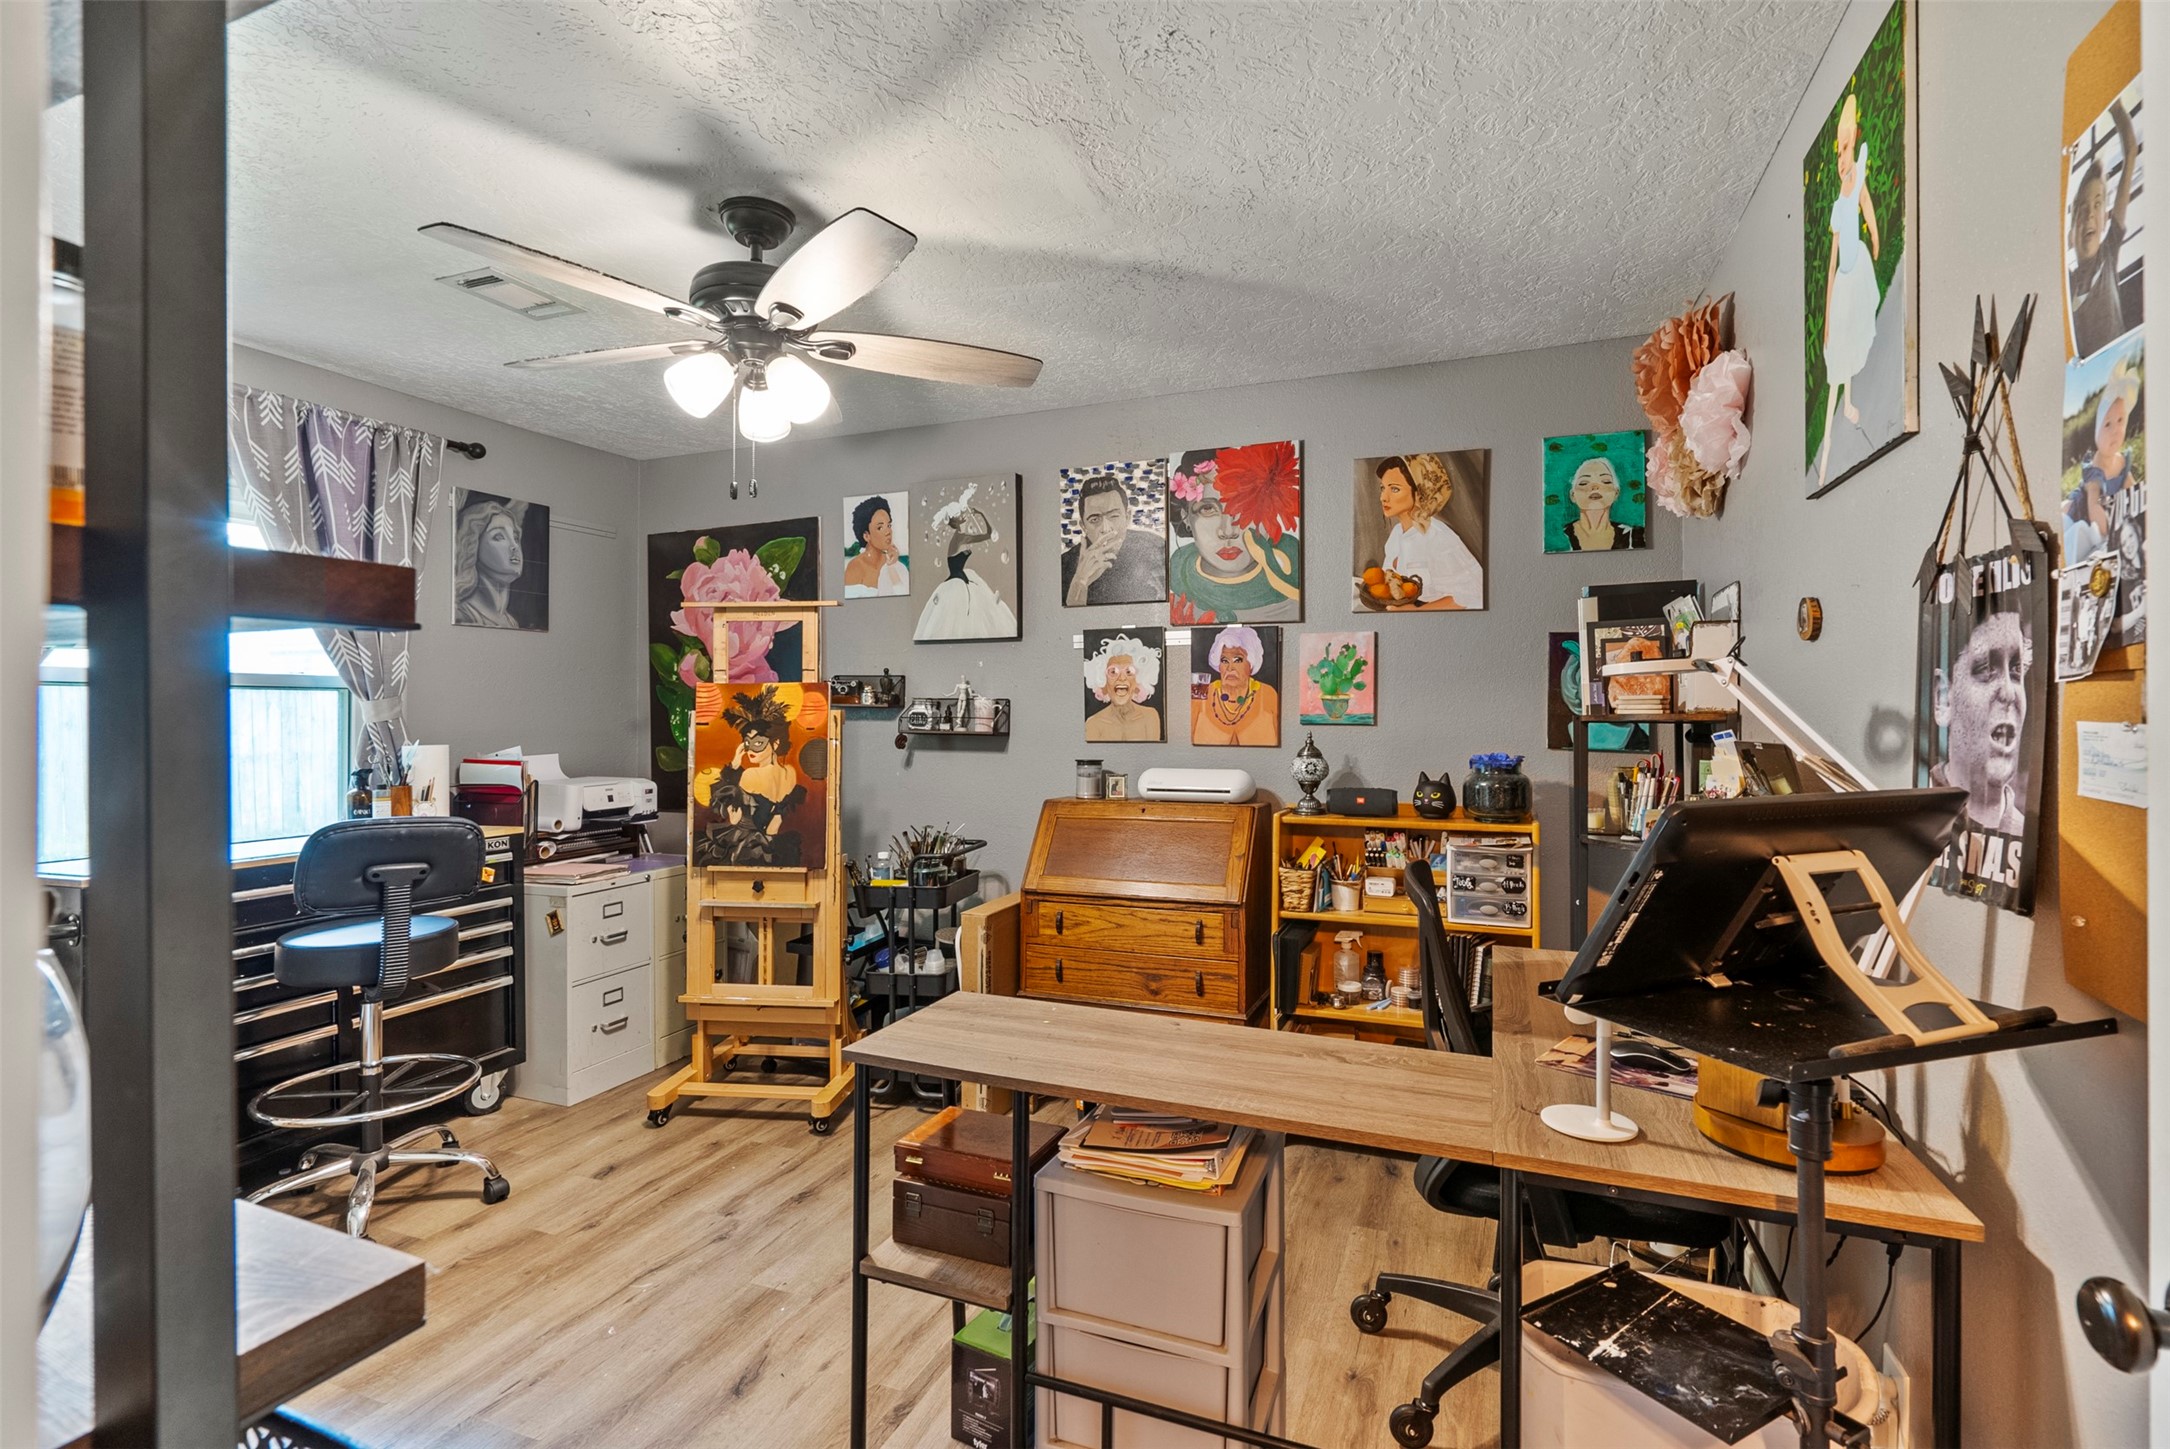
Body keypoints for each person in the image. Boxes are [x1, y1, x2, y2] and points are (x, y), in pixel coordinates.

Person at [1815, 92, 1884, 490]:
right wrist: (1826, 312)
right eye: (1839, 154)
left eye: (1846, 149)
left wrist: (1875, 237)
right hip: (1846, 276)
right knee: (1836, 355)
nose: (1843, 159)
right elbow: (1832, 258)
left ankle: (1850, 401)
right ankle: (1825, 454)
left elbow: (1868, 206)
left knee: (1856, 334)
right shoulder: (1838, 204)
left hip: (1860, 270)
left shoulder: (1857, 177)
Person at [1166, 449, 1301, 623]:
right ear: (1186, 518)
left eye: (1243, 506)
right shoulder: (1171, 591)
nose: (1228, 531)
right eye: (1207, 509)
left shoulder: (1294, 594)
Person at [1931, 609, 2030, 836]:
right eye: (1986, 669)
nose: (2008, 692)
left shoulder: (2028, 834)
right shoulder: (1910, 819)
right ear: (1944, 700)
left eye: (2017, 670)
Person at [694, 685, 808, 867]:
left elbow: (733, 817)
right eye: (748, 742)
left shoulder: (750, 775)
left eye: (759, 743)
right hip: (770, 843)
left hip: (744, 846)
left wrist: (734, 765)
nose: (751, 749)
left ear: (775, 744)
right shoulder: (790, 772)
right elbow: (774, 823)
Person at [2068, 99, 2138, 358]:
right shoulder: (2069, 283)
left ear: (2106, 216)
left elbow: (2131, 151)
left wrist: (2115, 106)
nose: (2089, 217)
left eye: (2097, 205)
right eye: (2082, 209)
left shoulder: (2108, 253)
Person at [1363, 454, 1482, 607]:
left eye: (1394, 489)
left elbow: (1473, 596)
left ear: (1420, 493)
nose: (1383, 497)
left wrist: (1415, 611)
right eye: (1383, 488)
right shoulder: (1396, 534)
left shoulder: (1439, 537)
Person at [913, 484, 1018, 640]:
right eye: (959, 515)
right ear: (955, 520)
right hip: (957, 583)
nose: (963, 515)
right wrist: (981, 514)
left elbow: (988, 534)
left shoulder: (961, 537)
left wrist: (982, 513)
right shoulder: (960, 538)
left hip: (964, 580)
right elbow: (988, 535)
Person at [1061, 473, 1165, 606]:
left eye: (1114, 516)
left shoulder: (1156, 549)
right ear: (1083, 526)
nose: (1106, 528)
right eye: (1095, 520)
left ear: (1127, 517)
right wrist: (1080, 581)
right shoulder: (1065, 565)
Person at [1190, 625, 1279, 746]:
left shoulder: (1268, 694)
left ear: (1251, 663)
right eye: (1224, 660)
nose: (1230, 668)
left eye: (1238, 660)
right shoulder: (1201, 693)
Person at [453, 496, 531, 629]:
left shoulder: (510, 622)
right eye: (499, 537)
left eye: (516, 538)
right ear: (473, 545)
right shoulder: (462, 616)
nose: (514, 546)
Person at [1083, 633, 1162, 741]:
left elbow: (1154, 755)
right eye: (1113, 671)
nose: (1121, 678)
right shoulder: (1093, 723)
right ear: (1103, 682)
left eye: (1129, 671)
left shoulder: (1150, 717)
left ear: (1139, 681)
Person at [1561, 457, 1645, 552]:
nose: (1595, 487)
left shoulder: (1636, 535)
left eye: (1606, 481)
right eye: (1584, 483)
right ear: (1573, 495)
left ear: (1616, 493)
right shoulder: (1560, 536)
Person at [842, 495, 907, 598]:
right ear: (866, 536)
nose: (888, 532)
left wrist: (891, 567)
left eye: (889, 525)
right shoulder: (855, 568)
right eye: (880, 527)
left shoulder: (897, 566)